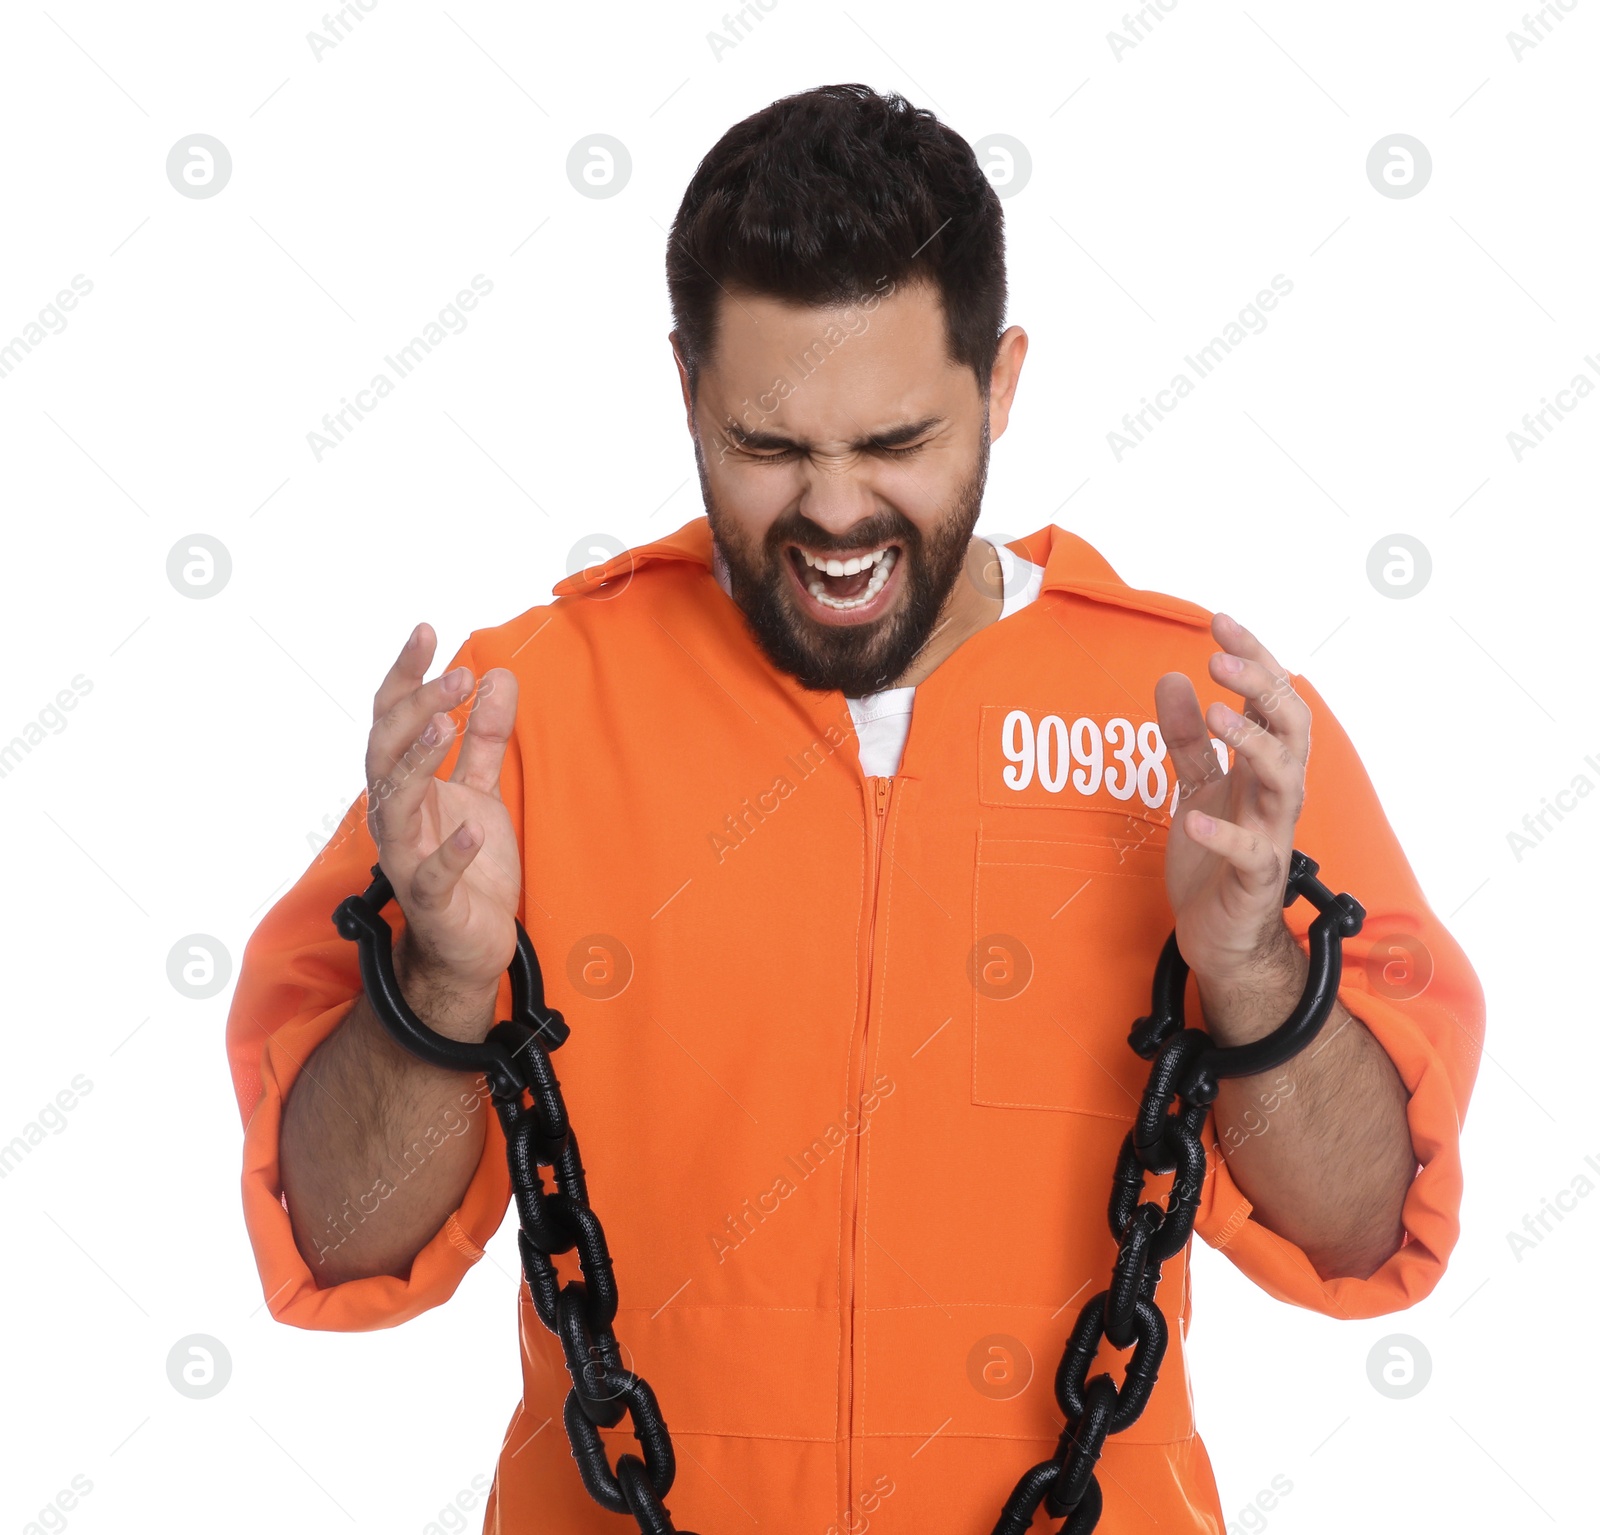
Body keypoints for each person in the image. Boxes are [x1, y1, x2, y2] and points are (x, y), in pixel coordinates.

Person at [225, 83, 1484, 1534]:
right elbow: (335, 1239)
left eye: (896, 443)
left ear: (1001, 386)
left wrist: (1255, 970)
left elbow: (1365, 1234)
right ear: (688, 390)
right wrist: (441, 983)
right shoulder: (519, 718)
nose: (834, 515)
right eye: (770, 447)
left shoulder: (1206, 734)